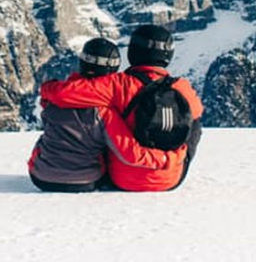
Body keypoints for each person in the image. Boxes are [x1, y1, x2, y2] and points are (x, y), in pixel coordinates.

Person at [40, 25, 203, 191]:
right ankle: (170, 166)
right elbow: (195, 122)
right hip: (172, 176)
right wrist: (172, 158)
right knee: (194, 121)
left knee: (104, 118)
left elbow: (63, 94)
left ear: (133, 51)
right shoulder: (182, 87)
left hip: (123, 178)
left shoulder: (117, 84)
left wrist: (48, 87)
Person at [28, 37, 171, 192]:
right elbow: (130, 153)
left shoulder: (53, 99)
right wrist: (165, 158)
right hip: (85, 181)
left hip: (40, 178)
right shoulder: (104, 112)